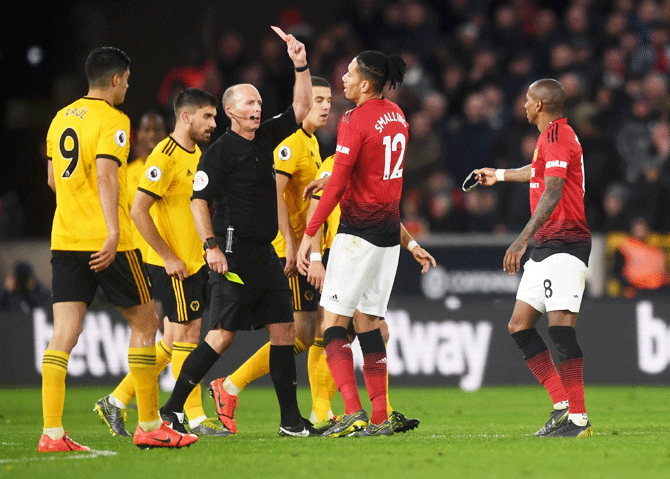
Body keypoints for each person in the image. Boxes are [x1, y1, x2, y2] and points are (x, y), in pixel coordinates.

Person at [159, 32, 319, 437]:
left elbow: (301, 106)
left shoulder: (265, 136)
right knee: (221, 336)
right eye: (249, 103)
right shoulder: (219, 153)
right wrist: (211, 247)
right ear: (230, 110)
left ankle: (290, 421)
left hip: (263, 253)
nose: (257, 108)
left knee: (284, 332)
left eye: (259, 103)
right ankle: (173, 408)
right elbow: (198, 202)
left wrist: (300, 63)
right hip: (231, 255)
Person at [41, 46, 195, 452]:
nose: (127, 85)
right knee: (145, 324)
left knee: (63, 335)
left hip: (65, 238)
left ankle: (52, 433)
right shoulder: (113, 120)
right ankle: (148, 424)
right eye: (126, 79)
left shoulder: (60, 119)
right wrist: (112, 231)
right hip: (108, 242)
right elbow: (108, 178)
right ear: (114, 79)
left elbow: (55, 180)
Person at [296, 50, 434, 437]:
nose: (343, 78)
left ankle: (352, 411)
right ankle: (377, 417)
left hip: (358, 235)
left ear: (366, 84)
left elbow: (340, 183)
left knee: (333, 326)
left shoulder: (354, 119)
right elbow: (373, 170)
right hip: (389, 236)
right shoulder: (398, 116)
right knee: (370, 323)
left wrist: (310, 236)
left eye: (350, 73)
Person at [94, 88, 229, 437]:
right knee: (188, 335)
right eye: (207, 117)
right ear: (186, 117)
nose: (214, 123)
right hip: (173, 263)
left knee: (172, 342)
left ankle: (116, 400)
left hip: (192, 260)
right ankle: (191, 417)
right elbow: (139, 211)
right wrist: (169, 257)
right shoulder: (163, 156)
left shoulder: (196, 153)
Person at [207, 76, 332, 434]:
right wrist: (292, 244)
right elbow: (274, 192)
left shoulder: (310, 142)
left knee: (309, 329)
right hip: (285, 251)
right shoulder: (290, 142)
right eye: (318, 98)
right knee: (300, 332)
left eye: (327, 101)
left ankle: (315, 411)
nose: (324, 106)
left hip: (299, 247)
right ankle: (229, 386)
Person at [473, 78, 593, 438]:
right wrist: (499, 175)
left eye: (527, 99)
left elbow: (553, 190)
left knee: (560, 330)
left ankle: (579, 418)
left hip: (565, 242)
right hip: (547, 244)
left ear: (539, 104)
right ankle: (561, 406)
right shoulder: (550, 139)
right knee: (519, 326)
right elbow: (539, 174)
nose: (523, 104)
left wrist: (520, 240)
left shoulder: (558, 137)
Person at [302, 154, 429, 434]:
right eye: (321, 104)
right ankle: (329, 411)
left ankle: (369, 413)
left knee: (361, 330)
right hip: (342, 250)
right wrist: (314, 257)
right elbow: (316, 210)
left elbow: (386, 214)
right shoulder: (337, 162)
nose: (325, 108)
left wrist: (412, 245)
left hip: (361, 249)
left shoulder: (372, 165)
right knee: (335, 331)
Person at [612, 215, 670, 298]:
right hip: (636, 288)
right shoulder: (625, 248)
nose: (641, 231)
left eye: (643, 228)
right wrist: (628, 286)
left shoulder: (656, 248)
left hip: (657, 288)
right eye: (638, 229)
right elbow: (616, 271)